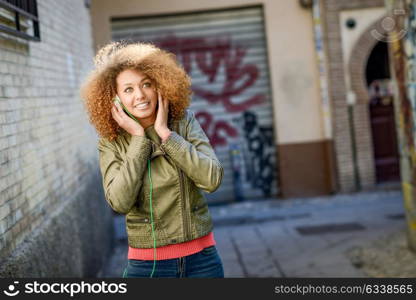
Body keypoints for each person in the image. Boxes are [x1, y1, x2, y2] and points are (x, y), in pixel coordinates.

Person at [80, 41, 225, 278]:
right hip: (149, 267)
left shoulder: (183, 123)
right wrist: (138, 140)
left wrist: (167, 136)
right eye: (128, 89)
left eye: (146, 84)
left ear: (159, 84)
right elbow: (119, 202)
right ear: (113, 98)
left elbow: (212, 179)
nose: (140, 95)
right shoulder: (112, 142)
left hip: (202, 260)